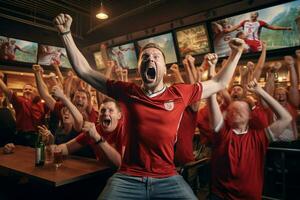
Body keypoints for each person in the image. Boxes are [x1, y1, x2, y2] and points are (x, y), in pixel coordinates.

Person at [54, 13, 244, 199]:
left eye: (156, 57)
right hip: (128, 177)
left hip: (168, 178)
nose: (150, 59)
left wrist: (236, 53)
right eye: (145, 57)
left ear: (163, 67)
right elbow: (84, 70)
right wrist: (66, 34)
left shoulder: (179, 93)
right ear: (139, 68)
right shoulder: (127, 91)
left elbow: (219, 83)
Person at [208, 79, 292, 200]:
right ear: (227, 116)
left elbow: (286, 118)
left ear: (249, 115)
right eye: (232, 110)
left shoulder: (259, 137)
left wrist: (260, 91)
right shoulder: (222, 135)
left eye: (241, 109)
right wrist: (213, 82)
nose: (236, 112)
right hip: (221, 196)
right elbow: (212, 102)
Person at [0, 71, 47, 147]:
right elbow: (7, 91)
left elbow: (45, 93)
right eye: (25, 89)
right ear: (22, 92)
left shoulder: (41, 104)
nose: (27, 90)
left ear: (34, 92)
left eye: (30, 89)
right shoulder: (20, 101)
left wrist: (39, 76)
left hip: (37, 137)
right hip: (22, 136)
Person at [224, 11, 292, 52]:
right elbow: (235, 27)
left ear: (257, 16)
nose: (253, 16)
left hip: (255, 44)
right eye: (252, 15)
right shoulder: (244, 22)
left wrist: (286, 28)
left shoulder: (260, 23)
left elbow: (273, 27)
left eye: (254, 15)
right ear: (250, 15)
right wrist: (228, 30)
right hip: (245, 43)